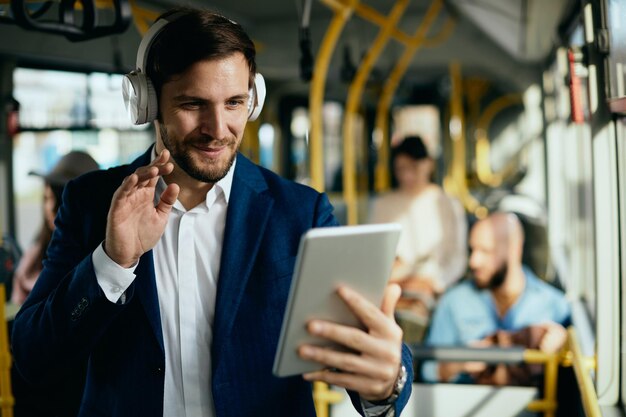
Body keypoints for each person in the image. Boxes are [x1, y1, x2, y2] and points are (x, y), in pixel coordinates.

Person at [11, 8, 412, 417]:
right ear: (148, 103)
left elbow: (369, 344)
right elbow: (32, 359)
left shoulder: (300, 212)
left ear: (252, 101)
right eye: (193, 104)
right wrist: (113, 262)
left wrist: (387, 382)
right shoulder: (92, 202)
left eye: (234, 103)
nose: (217, 128)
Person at [422, 212, 571, 384]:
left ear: (514, 249)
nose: (474, 261)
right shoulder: (453, 301)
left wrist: (564, 345)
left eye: (486, 251)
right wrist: (456, 364)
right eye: (472, 250)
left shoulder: (555, 306)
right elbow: (426, 369)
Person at [370, 135, 467, 342]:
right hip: (392, 286)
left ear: (428, 165)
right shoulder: (382, 204)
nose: (407, 175)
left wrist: (435, 283)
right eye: (400, 169)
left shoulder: (448, 205)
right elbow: (373, 251)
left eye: (413, 167)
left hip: (432, 290)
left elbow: (457, 258)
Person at [11, 150, 99, 305]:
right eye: (46, 198)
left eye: (58, 199)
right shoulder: (37, 248)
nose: (49, 207)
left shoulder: (98, 257)